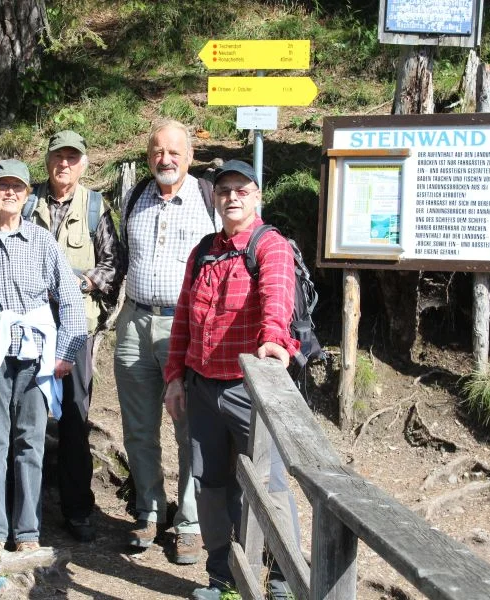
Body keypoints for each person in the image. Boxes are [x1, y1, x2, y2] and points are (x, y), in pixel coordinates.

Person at [163, 160, 301, 600]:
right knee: (210, 487)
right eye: (224, 190)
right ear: (215, 198)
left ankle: (284, 581)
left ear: (257, 196)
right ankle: (223, 578)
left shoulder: (270, 246)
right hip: (202, 387)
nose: (233, 197)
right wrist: (174, 378)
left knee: (271, 488)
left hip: (249, 390)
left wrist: (275, 342)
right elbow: (183, 317)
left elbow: (276, 299)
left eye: (242, 189)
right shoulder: (204, 250)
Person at [0, 159, 87, 556]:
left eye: (18, 187)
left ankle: (28, 531)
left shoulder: (42, 241)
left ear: (28, 194)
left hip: (35, 355)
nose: (9, 192)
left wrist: (67, 352)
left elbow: (69, 294)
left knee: (31, 440)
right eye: (2, 186)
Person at [114, 119, 214, 564]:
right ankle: (150, 511)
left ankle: (190, 524)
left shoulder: (209, 198)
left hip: (185, 328)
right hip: (134, 321)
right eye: (157, 151)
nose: (165, 159)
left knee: (189, 429)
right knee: (138, 428)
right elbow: (118, 258)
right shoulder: (135, 195)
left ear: (189, 157)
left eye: (174, 152)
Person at [22, 130, 123, 541]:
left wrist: (72, 283)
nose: (64, 164)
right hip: (27, 326)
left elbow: (114, 266)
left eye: (72, 158)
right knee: (23, 417)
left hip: (75, 330)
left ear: (83, 164)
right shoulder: (27, 202)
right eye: (58, 157)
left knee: (74, 420)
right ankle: (21, 512)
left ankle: (77, 509)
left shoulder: (96, 206)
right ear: (47, 161)